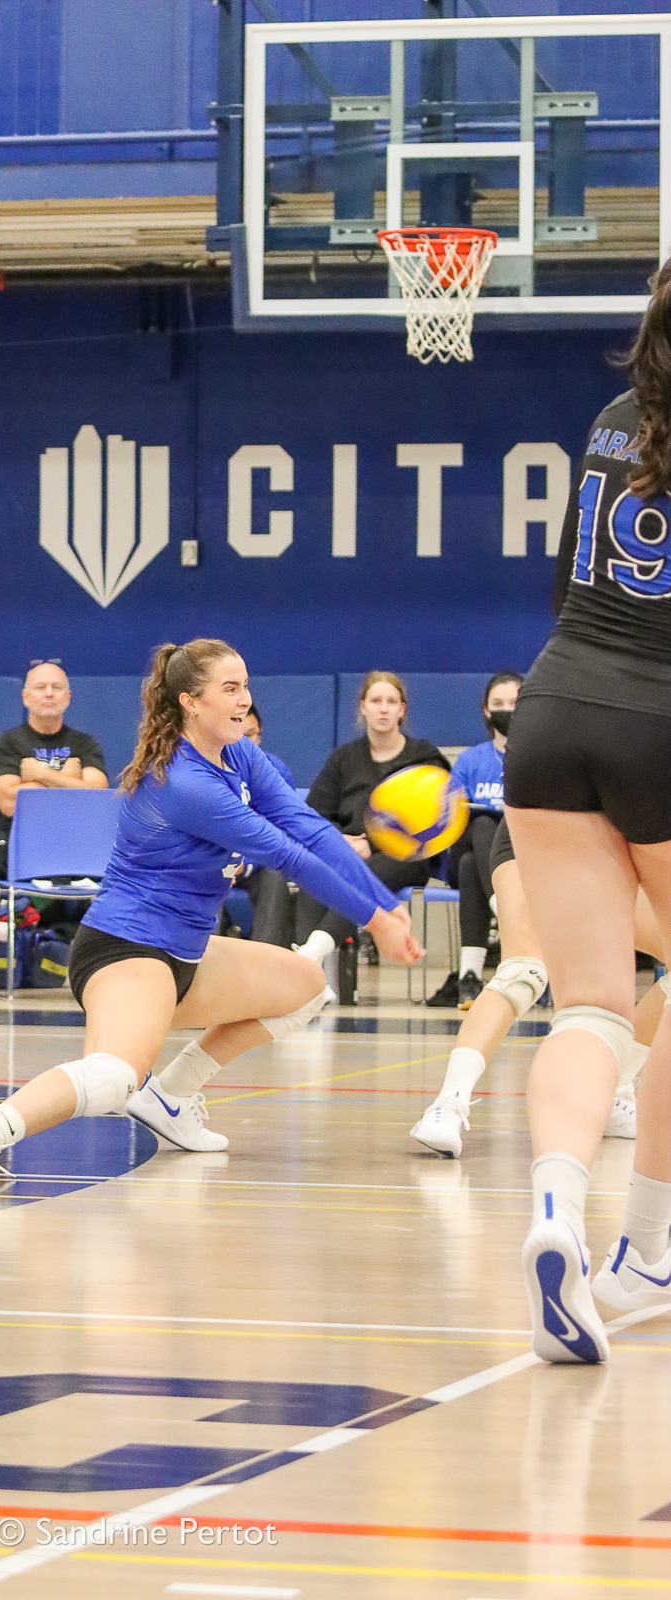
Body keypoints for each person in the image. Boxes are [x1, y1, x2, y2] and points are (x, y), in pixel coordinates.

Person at [0, 638, 422, 1181]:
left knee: (305, 987)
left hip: (188, 951)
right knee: (114, 1076)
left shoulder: (238, 754)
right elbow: (286, 855)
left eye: (245, 687)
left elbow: (311, 829)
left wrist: (386, 905)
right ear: (190, 701)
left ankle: (172, 1098)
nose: (243, 700)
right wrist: (375, 922)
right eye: (229, 689)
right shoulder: (184, 782)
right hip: (126, 951)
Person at [503, 260, 671, 1362]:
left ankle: (555, 1209)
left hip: (552, 700)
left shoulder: (614, 418)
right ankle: (648, 1252)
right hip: (658, 711)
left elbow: (571, 583)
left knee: (592, 1008)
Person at [409, 815, 660, 1157]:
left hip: (612, 845)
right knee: (523, 972)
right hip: (537, 827)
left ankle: (614, 1093)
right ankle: (447, 1105)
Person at [0, 658, 108, 997]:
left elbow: (97, 794)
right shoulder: (7, 743)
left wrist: (38, 774)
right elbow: (10, 803)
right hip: (17, 846)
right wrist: (68, 779)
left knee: (126, 871)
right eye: (40, 688)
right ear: (26, 696)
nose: (48, 694)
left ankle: (109, 969)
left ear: (68, 697)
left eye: (56, 688)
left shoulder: (85, 744)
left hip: (76, 849)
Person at [295, 671, 450, 964]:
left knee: (359, 877)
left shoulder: (423, 756)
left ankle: (311, 954)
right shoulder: (344, 758)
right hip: (346, 851)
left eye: (391, 702)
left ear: (401, 710)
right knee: (314, 865)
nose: (383, 708)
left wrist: (374, 846)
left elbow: (435, 819)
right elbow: (314, 813)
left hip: (404, 854)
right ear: (363, 707)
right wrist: (339, 842)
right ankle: (310, 973)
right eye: (376, 700)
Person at [426, 672, 524, 1009]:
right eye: (498, 704)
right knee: (481, 823)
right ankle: (504, 906)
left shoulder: (537, 756)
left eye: (513, 703)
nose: (506, 710)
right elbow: (449, 821)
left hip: (522, 861)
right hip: (469, 847)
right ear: (485, 711)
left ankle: (470, 976)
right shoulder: (470, 760)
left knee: (472, 866)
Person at [230, 704, 296, 948]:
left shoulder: (276, 772)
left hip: (257, 864)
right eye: (237, 735)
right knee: (201, 874)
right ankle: (201, 968)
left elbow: (281, 835)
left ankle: (265, 961)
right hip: (216, 860)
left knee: (276, 872)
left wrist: (245, 865)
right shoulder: (206, 769)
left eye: (251, 735)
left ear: (260, 735)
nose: (245, 743)